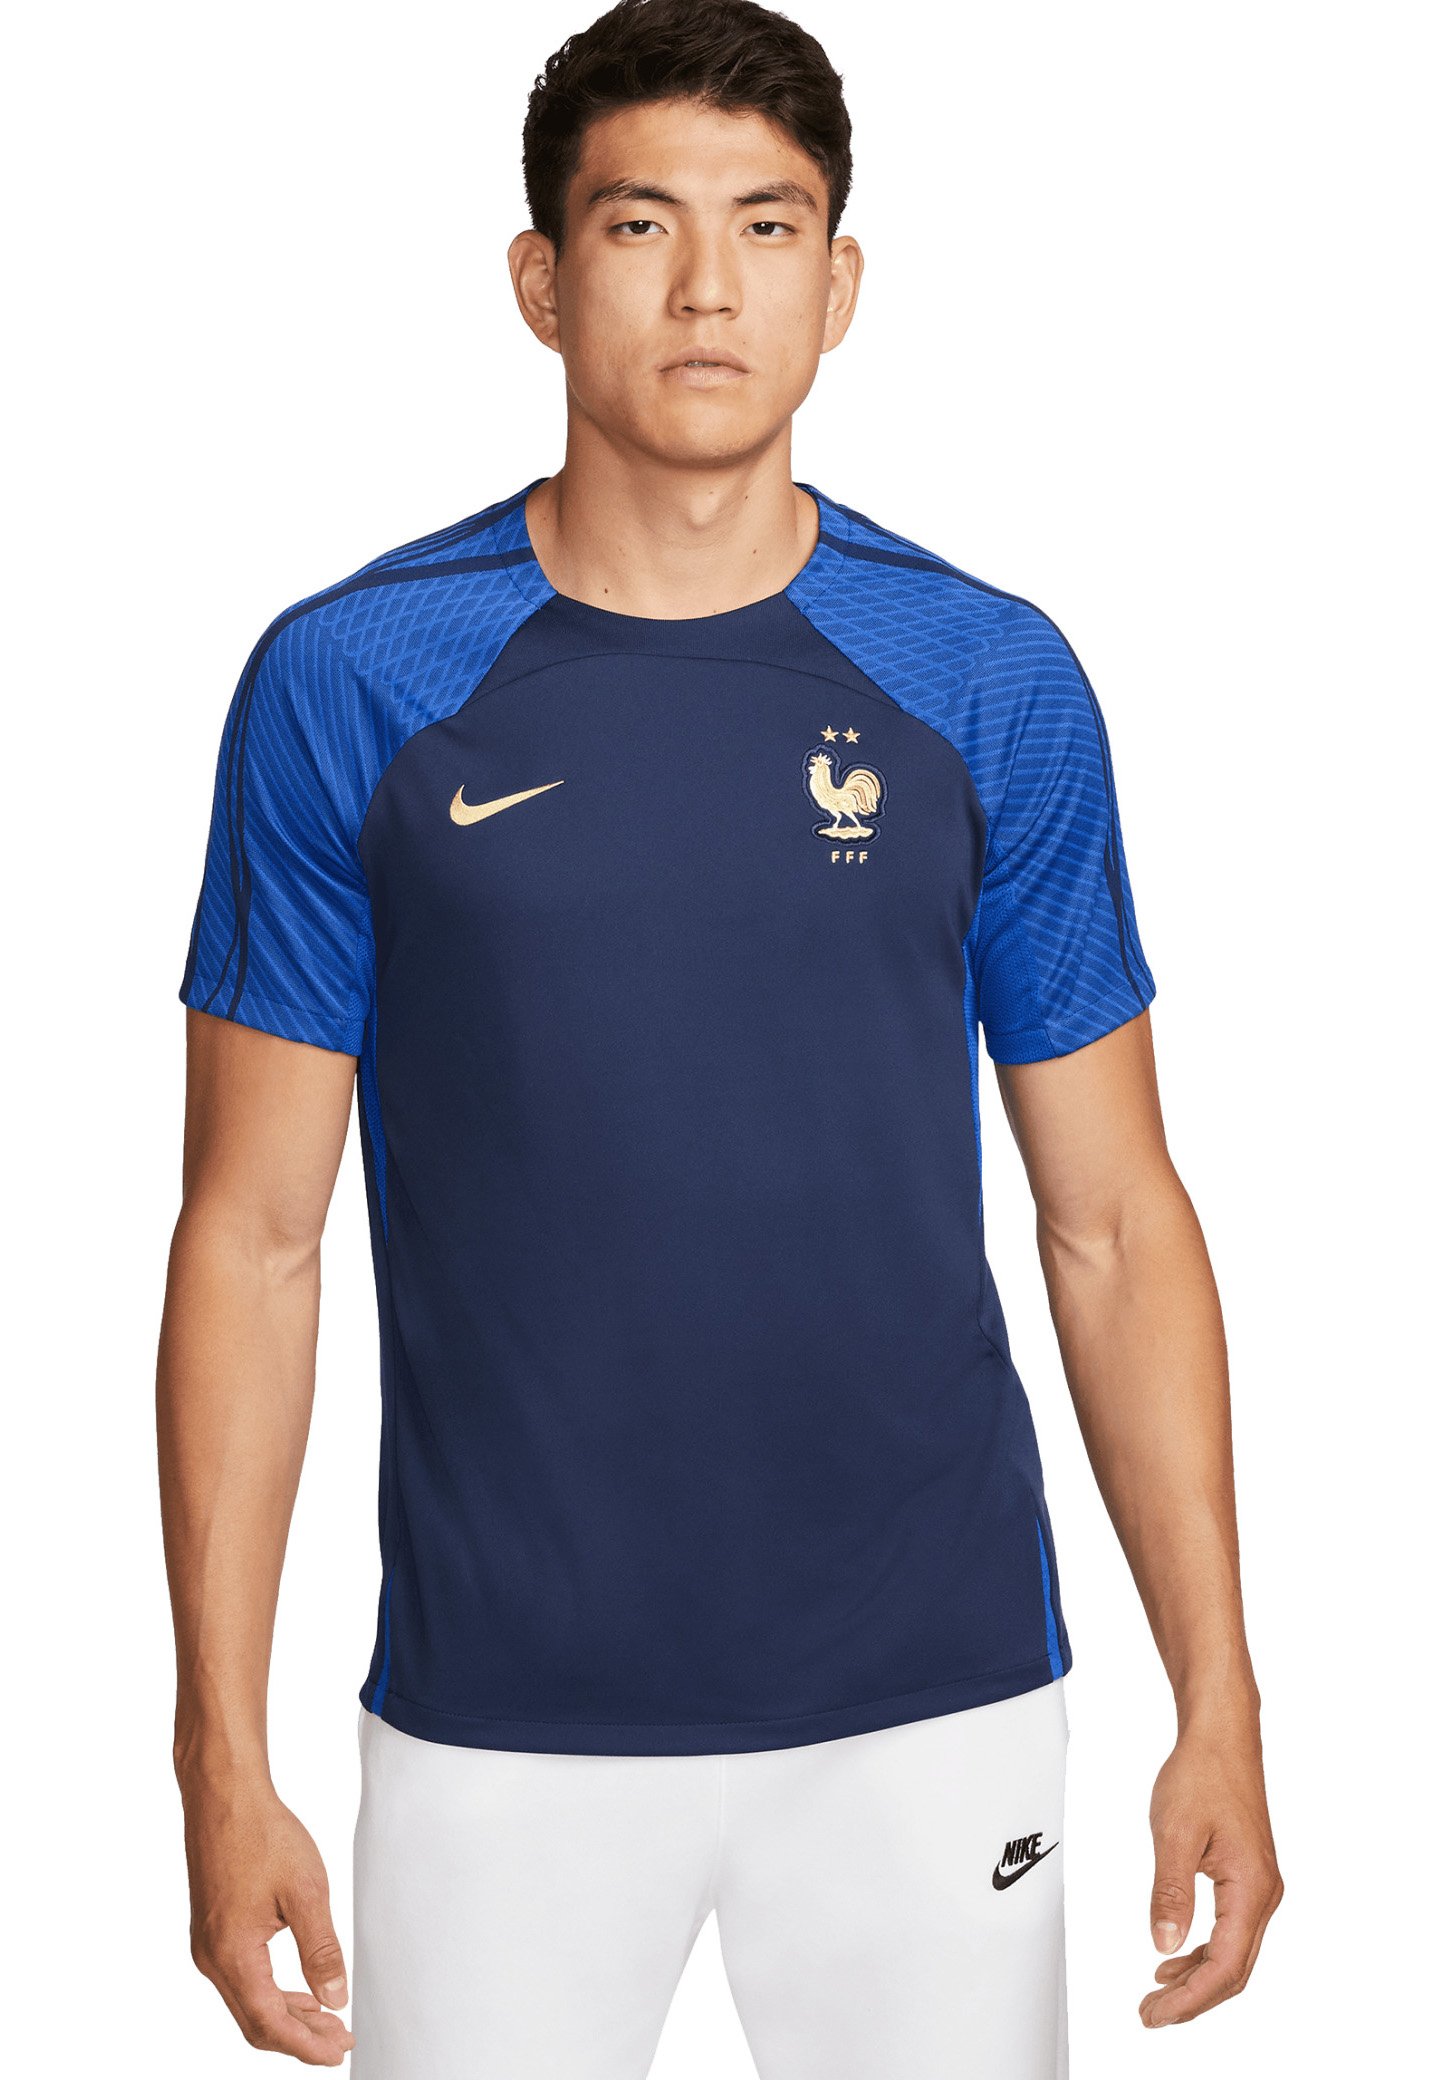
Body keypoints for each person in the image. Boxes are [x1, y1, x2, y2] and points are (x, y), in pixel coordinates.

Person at [157, 1, 1283, 2072]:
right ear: (539, 279)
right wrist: (217, 1753)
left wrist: (1218, 1691)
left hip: (934, 1711)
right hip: (497, 1724)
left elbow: (1114, 1220)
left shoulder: (985, 680)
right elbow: (252, 1239)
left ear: (837, 286)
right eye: (638, 225)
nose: (705, 288)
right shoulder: (354, 682)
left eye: (765, 228)